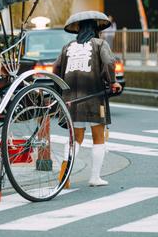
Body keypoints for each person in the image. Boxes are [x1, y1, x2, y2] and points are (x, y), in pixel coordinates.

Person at [53, 10, 122, 187]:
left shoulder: (67, 47)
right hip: (93, 96)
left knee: (75, 139)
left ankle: (65, 174)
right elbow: (108, 63)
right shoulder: (100, 44)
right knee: (99, 137)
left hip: (71, 99)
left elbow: (56, 69)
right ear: (95, 29)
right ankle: (94, 177)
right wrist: (112, 82)